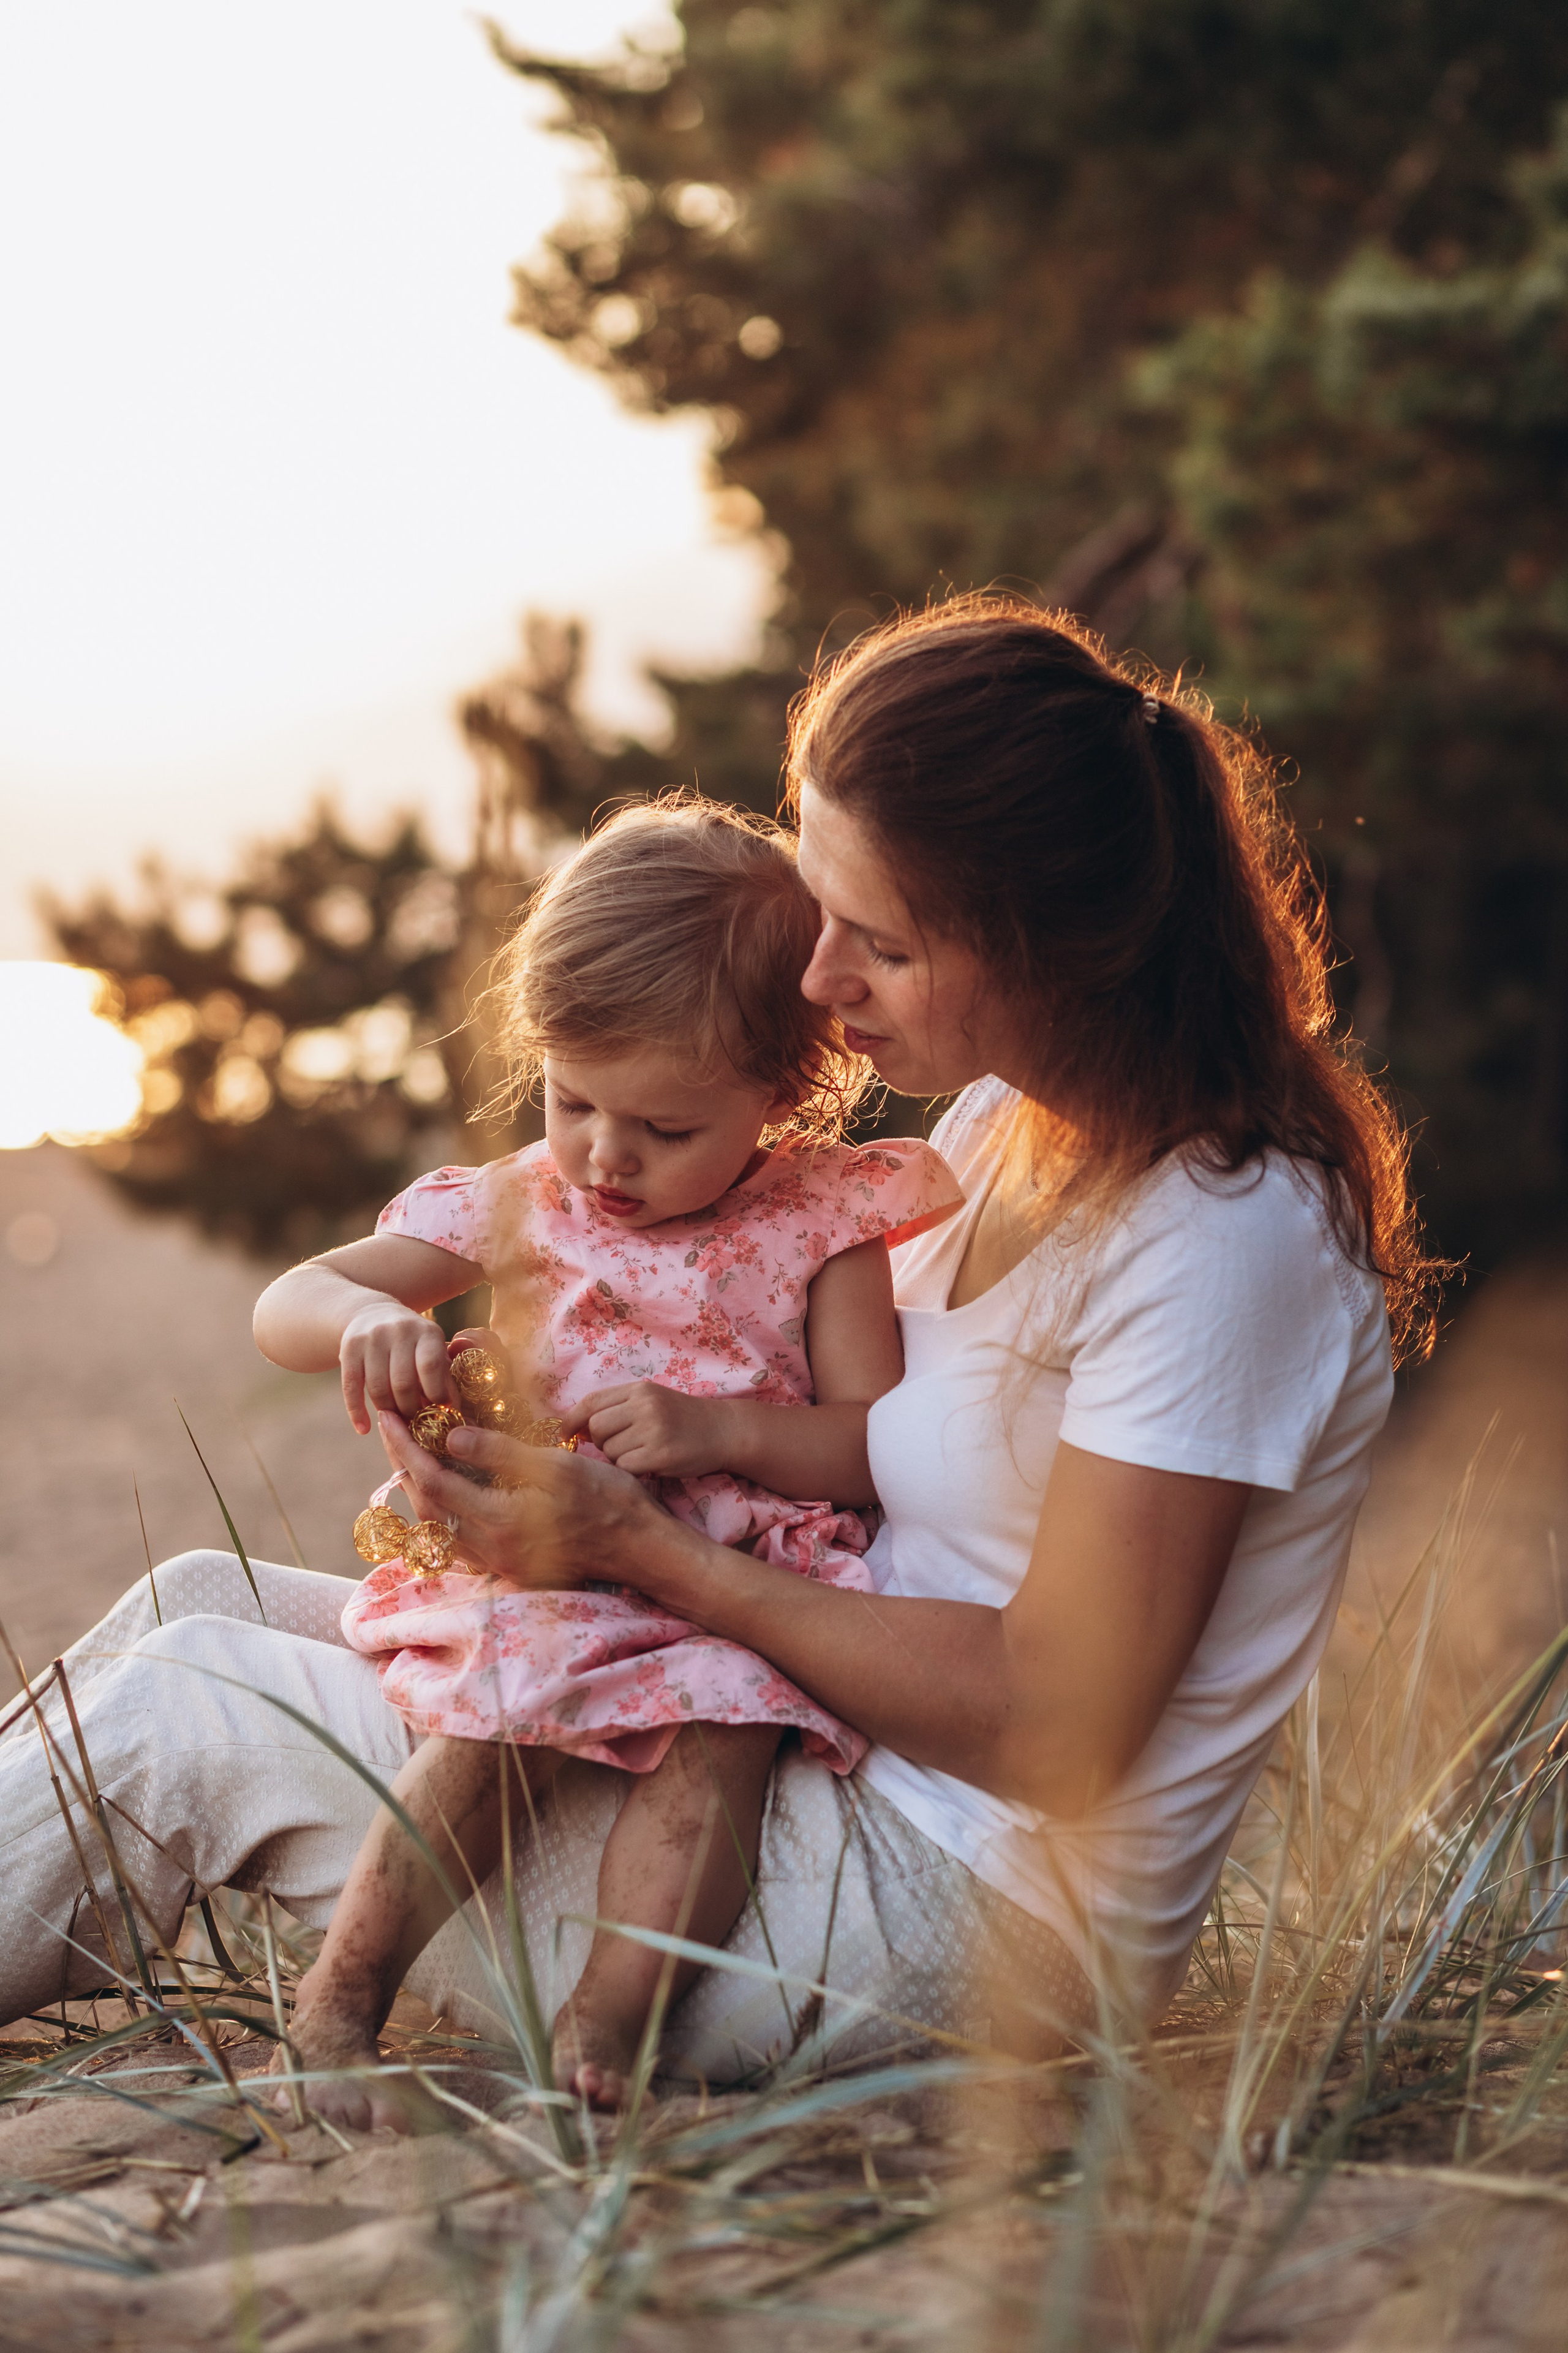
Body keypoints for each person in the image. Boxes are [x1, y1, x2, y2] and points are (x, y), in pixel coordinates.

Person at [0, 597, 1438, 2136]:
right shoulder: (1004, 1132)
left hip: (947, 1904)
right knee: (199, 1604)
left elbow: (1058, 1719)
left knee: (188, 1707)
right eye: (820, 908)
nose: (817, 980)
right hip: (798, 1741)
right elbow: (830, 1444)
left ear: (1050, 947)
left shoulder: (1224, 1237)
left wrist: (632, 1548)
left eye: (880, 943)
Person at [250, 800, 959, 2113]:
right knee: (489, 1718)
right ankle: (341, 2000)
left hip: (727, 1583)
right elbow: (287, 1300)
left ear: (781, 1090)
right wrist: (367, 1318)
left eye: (665, 1127)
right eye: (572, 1099)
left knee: (723, 1748)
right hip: (546, 1572)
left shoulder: (823, 1224)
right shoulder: (524, 1197)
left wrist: (724, 1433)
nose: (603, 1155)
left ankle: (605, 2033)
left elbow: (871, 1447)